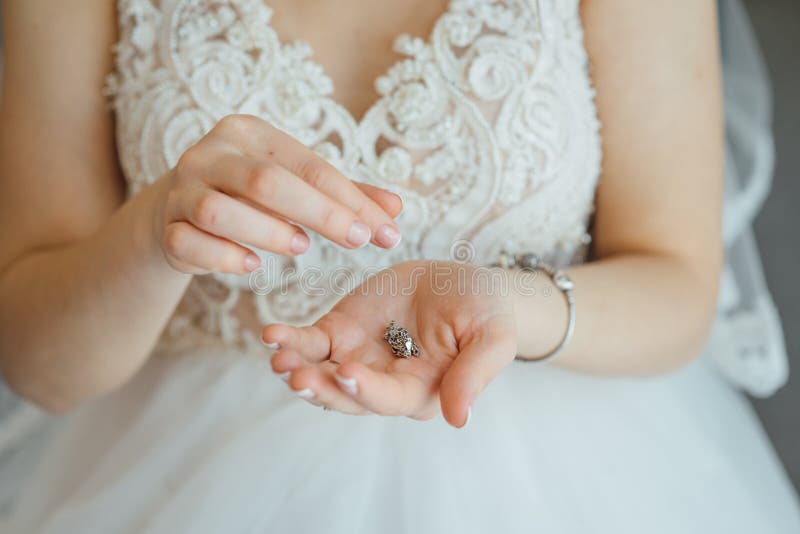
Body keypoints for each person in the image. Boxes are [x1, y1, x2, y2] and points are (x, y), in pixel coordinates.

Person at [1, 0, 799, 532]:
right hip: (168, 477)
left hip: (565, 481)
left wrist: (505, 306)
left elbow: (679, 283)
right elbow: (39, 365)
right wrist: (153, 234)